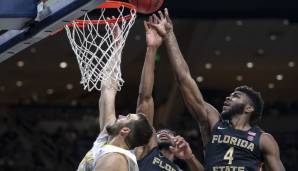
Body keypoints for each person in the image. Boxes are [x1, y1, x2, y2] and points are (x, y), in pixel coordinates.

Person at [149, 8, 286, 171]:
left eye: (236, 96)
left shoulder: (263, 139)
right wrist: (169, 35)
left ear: (249, 108)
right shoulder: (213, 122)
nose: (229, 98)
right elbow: (184, 79)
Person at [77, 23, 153, 171]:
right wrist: (117, 45)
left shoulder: (116, 160)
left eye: (127, 117)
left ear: (125, 131)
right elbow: (108, 90)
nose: (121, 115)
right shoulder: (107, 141)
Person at [135, 16, 204, 171]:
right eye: (160, 132)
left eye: (170, 133)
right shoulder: (146, 151)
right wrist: (151, 49)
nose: (165, 133)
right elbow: (145, 99)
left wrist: (190, 158)